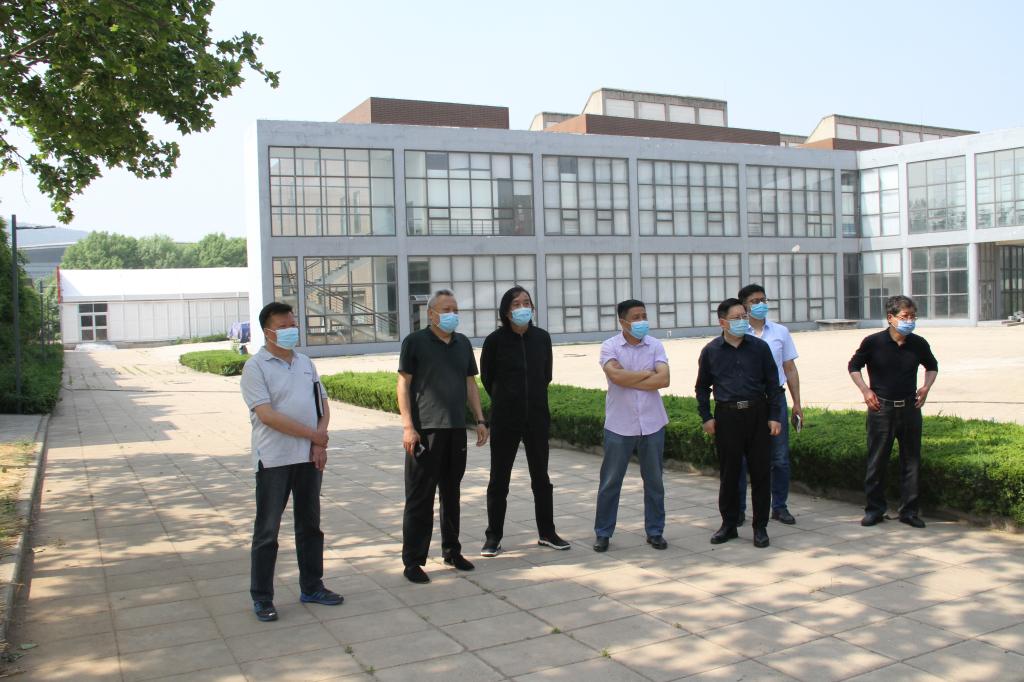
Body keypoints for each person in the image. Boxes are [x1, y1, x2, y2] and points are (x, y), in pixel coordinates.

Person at [240, 302, 343, 623]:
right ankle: (262, 597)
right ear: (267, 331)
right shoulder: (256, 367)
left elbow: (322, 405)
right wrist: (314, 436)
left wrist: (318, 441)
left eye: (292, 324)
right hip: (274, 460)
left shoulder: (305, 363)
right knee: (267, 531)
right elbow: (267, 415)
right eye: (283, 326)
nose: (290, 331)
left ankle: (312, 586)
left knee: (310, 526)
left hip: (308, 459)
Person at [398, 289, 489, 583]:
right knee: (420, 497)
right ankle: (413, 561)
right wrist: (408, 426)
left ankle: (452, 551)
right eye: (446, 309)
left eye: (455, 309)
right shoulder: (415, 342)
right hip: (425, 431)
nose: (452, 314)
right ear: (431, 314)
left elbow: (470, 384)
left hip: (455, 430)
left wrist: (480, 419)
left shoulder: (462, 343)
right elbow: (403, 384)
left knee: (452, 493)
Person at [480, 286, 569, 556]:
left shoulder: (542, 338)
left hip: (537, 417)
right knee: (499, 479)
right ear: (506, 311)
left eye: (526, 302)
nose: (522, 307)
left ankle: (547, 532)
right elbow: (488, 378)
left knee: (541, 478)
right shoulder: (494, 341)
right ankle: (493, 537)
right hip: (505, 418)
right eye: (516, 304)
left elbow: (546, 375)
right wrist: (507, 398)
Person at [696, 298, 783, 549]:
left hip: (757, 414)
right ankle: (729, 524)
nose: (743, 321)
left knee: (761, 474)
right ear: (723, 322)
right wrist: (706, 417)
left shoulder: (759, 348)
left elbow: (773, 385)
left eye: (744, 317)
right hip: (727, 417)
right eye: (736, 318)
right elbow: (702, 388)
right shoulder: (711, 351)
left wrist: (774, 416)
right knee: (730, 474)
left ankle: (760, 527)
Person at [848, 295, 938, 528]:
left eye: (913, 316)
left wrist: (926, 387)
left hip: (909, 408)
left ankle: (909, 511)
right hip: (881, 409)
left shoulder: (918, 343)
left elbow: (932, 366)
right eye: (905, 316)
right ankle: (874, 510)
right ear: (891, 317)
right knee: (877, 461)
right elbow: (854, 366)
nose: (910, 321)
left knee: (911, 461)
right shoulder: (873, 342)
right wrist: (865, 390)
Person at [593, 299, 671, 553]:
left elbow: (664, 379)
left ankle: (655, 531)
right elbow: (615, 376)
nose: (641, 321)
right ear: (623, 322)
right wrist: (648, 374)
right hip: (619, 425)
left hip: (652, 423)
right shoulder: (610, 346)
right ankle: (603, 533)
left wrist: (629, 377)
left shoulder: (655, 345)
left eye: (644, 316)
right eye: (636, 317)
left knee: (655, 482)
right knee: (610, 482)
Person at [735, 284, 803, 526]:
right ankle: (739, 509)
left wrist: (797, 403)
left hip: (775, 400)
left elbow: (790, 368)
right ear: (744, 305)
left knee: (780, 458)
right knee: (742, 459)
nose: (761, 305)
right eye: (755, 301)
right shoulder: (738, 333)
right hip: (745, 403)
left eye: (763, 300)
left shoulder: (780, 332)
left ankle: (779, 506)